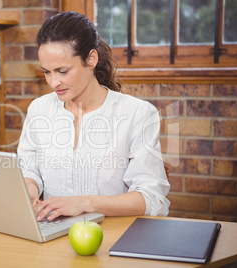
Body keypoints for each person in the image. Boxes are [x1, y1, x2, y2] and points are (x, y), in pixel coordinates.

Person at [17, 11, 170, 222]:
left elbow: (151, 198)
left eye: (62, 71)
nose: (53, 83)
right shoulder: (39, 109)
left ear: (91, 59)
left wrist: (84, 203)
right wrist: (29, 190)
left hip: (114, 235)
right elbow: (29, 171)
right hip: (52, 233)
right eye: (47, 72)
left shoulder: (137, 114)